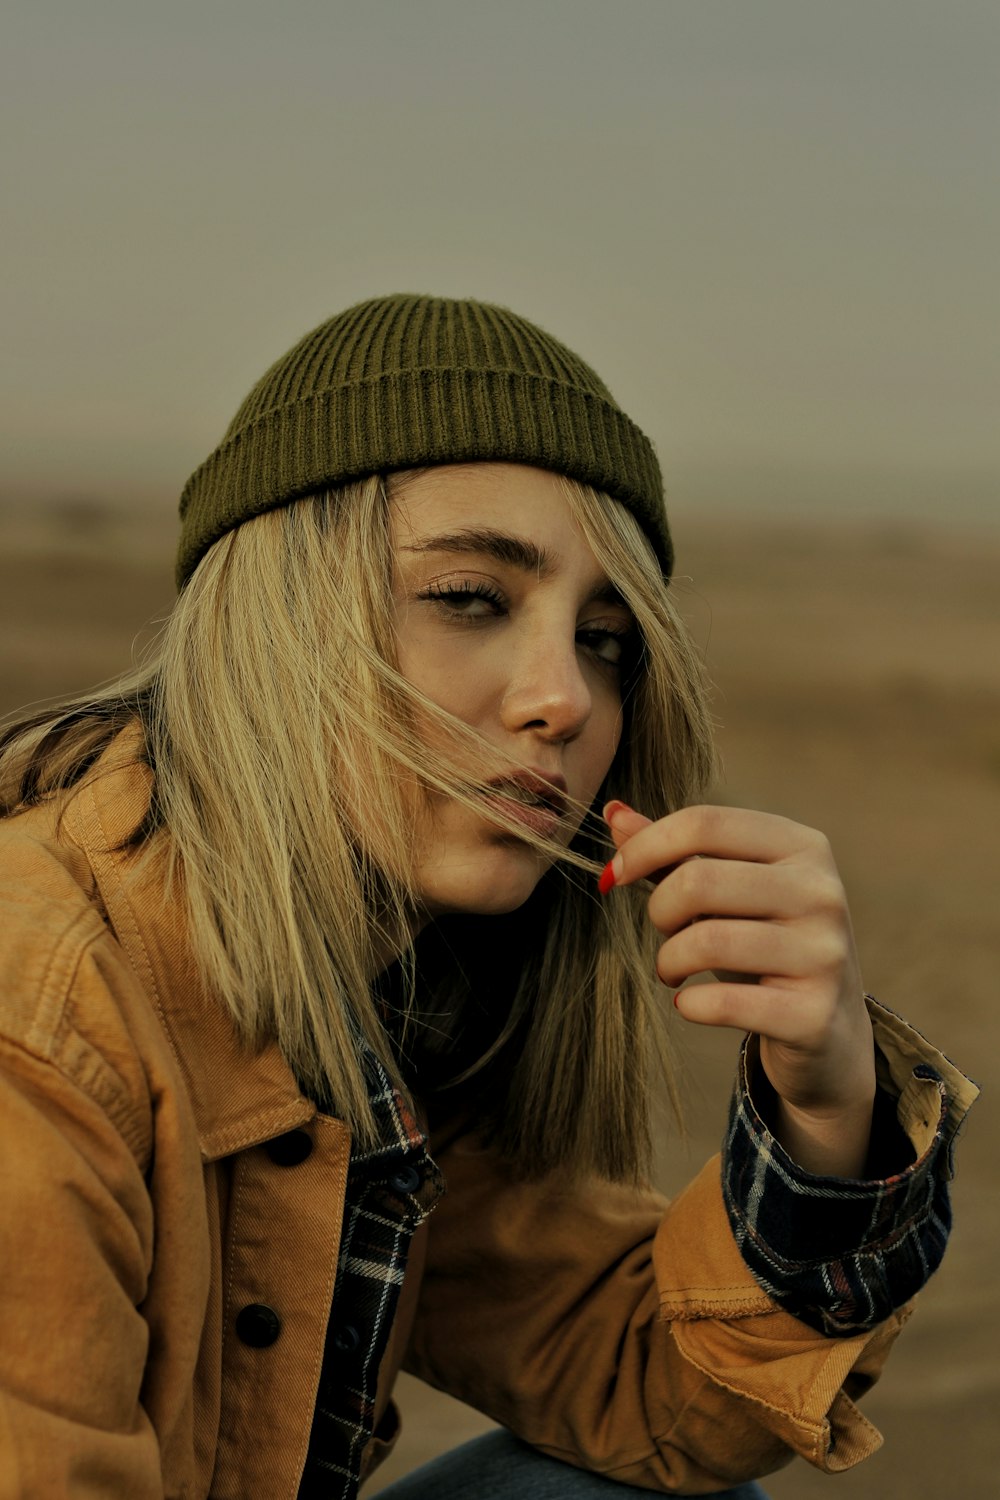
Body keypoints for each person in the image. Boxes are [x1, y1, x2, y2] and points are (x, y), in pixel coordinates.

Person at [0, 294, 976, 1499]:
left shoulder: (376, 1001)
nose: (562, 698)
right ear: (273, 622)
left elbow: (656, 1396)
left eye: (608, 639)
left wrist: (825, 1107)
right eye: (470, 598)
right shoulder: (35, 1017)